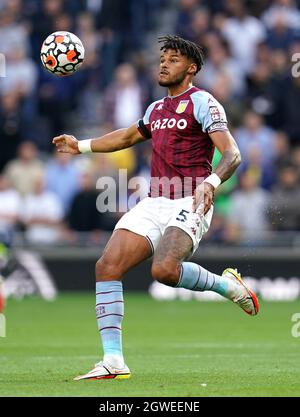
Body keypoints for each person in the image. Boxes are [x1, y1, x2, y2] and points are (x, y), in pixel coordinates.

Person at [53, 35, 259, 381]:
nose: (164, 63)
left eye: (174, 59)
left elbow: (233, 154)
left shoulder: (203, 103)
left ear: (191, 68)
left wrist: (211, 183)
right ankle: (114, 361)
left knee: (163, 270)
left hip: (190, 197)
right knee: (107, 266)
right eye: (162, 58)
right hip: (154, 200)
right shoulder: (155, 109)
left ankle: (227, 286)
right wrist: (81, 146)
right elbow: (127, 137)